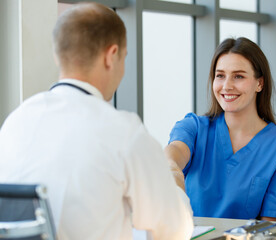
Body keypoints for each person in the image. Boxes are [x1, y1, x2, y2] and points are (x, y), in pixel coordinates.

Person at [0, 3, 193, 240]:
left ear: (58, 54)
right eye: (124, 58)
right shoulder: (123, 131)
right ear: (111, 56)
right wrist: (175, 187)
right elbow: (173, 230)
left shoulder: (15, 122)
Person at [165, 37, 276, 223]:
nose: (227, 86)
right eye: (220, 76)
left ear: (260, 84)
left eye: (239, 76)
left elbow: (269, 232)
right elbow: (175, 152)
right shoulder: (194, 128)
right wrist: (172, 170)